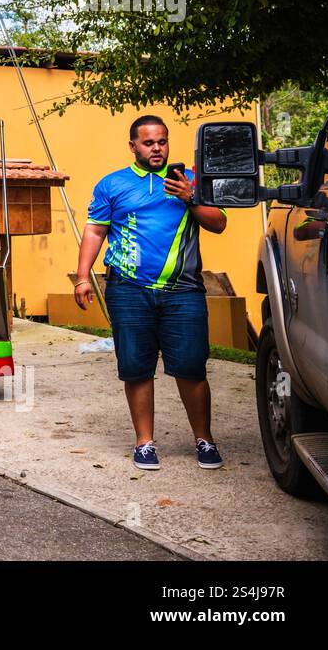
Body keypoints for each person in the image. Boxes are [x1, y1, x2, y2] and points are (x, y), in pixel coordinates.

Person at [74, 115, 228, 471]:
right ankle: (145, 443)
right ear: (133, 146)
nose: (156, 148)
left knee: (191, 367)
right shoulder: (112, 185)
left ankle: (204, 439)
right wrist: (83, 277)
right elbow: (95, 231)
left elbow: (219, 223)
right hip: (127, 290)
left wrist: (191, 197)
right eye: (148, 143)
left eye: (162, 141)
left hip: (183, 292)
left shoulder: (191, 180)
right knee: (136, 368)